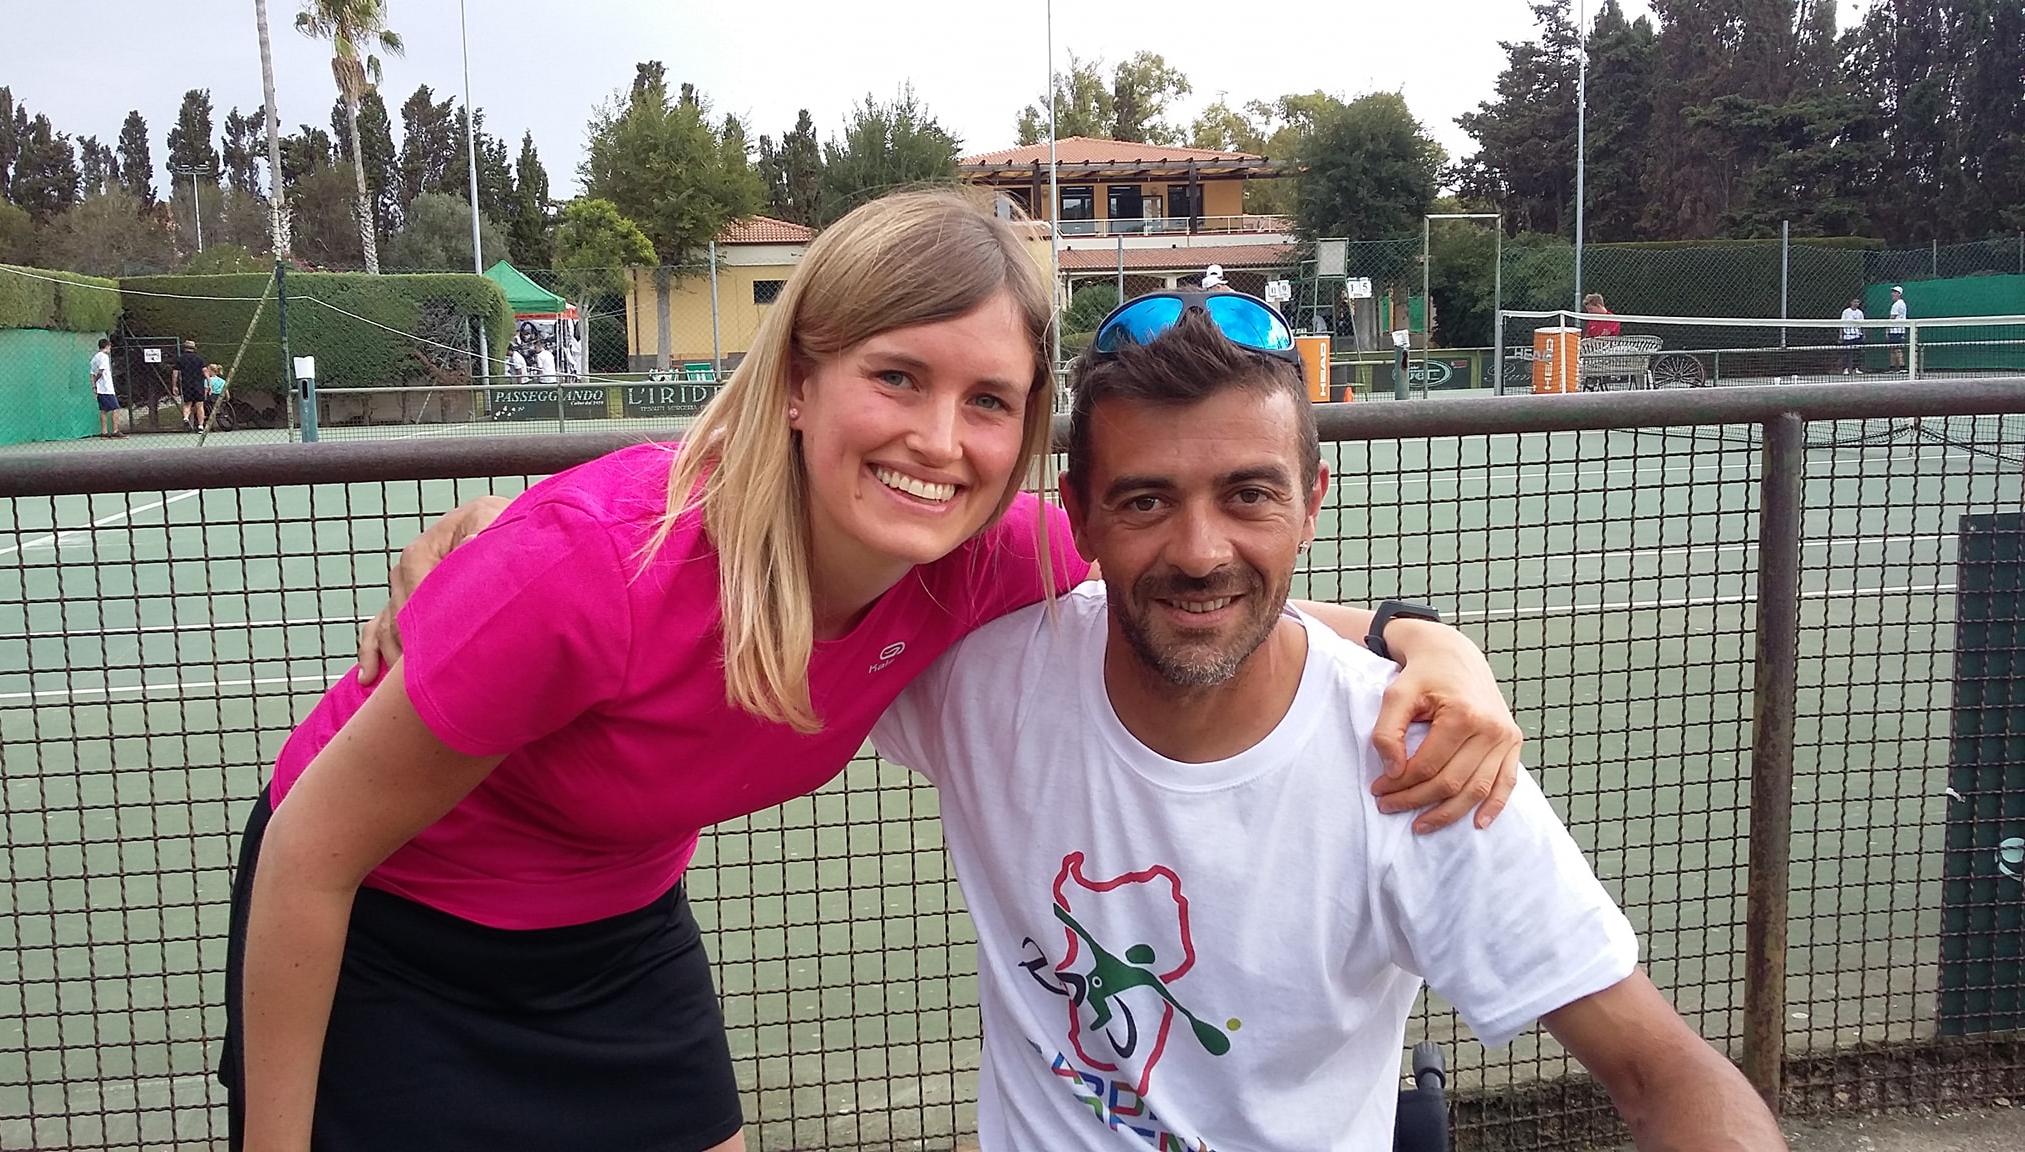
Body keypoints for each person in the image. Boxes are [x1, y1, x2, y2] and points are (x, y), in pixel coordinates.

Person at [225, 190, 1524, 1152]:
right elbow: (311, 852)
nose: (938, 442)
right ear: (799, 382)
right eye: (896, 378)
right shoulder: (597, 572)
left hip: (614, 933)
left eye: (988, 400)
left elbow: (1212, 591)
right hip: (392, 926)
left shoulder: (983, 554)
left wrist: (1432, 643)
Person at [868, 294, 1786, 1149]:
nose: (1199, 552)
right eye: (1146, 500)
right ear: (1081, 517)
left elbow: (1661, 1069)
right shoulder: (980, 683)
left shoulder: (1417, 765)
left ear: (1312, 503)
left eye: (1249, 495)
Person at [171, 338, 209, 432]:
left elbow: (175, 373)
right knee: (200, 405)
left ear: (185, 348)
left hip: (186, 384)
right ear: (194, 348)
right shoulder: (199, 358)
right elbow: (204, 371)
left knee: (187, 404)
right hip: (198, 384)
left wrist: (174, 386)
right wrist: (209, 382)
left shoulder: (181, 359)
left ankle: (186, 417)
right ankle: (200, 426)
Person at [90, 337, 122, 439]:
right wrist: (96, 381)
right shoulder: (104, 357)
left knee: (104, 410)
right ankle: (115, 431)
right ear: (107, 346)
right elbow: (100, 371)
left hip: (100, 389)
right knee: (116, 408)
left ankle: (104, 433)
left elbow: (92, 374)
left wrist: (94, 386)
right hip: (106, 388)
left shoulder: (94, 358)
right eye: (109, 347)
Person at [1839, 297, 1866, 374]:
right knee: (1847, 353)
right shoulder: (1846, 312)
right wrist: (1841, 335)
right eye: (1854, 301)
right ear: (1851, 302)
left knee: (1857, 353)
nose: (1856, 303)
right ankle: (1846, 368)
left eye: (1857, 302)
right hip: (1848, 336)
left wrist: (1863, 334)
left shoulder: (1860, 312)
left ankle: (1856, 368)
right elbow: (1841, 323)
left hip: (1857, 335)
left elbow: (1862, 324)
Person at [1887, 285, 1909, 370]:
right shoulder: (1902, 303)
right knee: (1893, 349)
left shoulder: (1897, 304)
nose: (1892, 294)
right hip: (1898, 330)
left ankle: (1902, 367)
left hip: (1896, 330)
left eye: (1895, 292)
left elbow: (1892, 317)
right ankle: (1892, 367)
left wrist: (1887, 328)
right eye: (1892, 292)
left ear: (1899, 294)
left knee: (1897, 349)